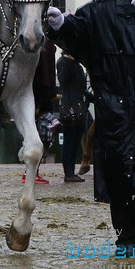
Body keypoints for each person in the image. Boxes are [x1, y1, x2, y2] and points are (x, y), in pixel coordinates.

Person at [44, 0, 135, 254]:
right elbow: (79, 29)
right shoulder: (105, 9)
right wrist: (61, 24)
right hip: (115, 109)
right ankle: (126, 235)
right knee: (119, 175)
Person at [57, 50, 91, 183]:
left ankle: (71, 171)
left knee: (75, 141)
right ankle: (69, 173)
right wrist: (71, 62)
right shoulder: (65, 63)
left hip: (78, 106)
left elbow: (81, 88)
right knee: (69, 141)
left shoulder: (75, 64)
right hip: (70, 107)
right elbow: (64, 81)